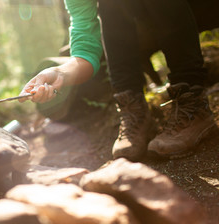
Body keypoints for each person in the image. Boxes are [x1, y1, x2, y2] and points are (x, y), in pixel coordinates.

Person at [19, 0, 215, 161]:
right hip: (143, 19)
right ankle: (133, 110)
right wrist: (58, 73)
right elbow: (85, 51)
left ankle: (193, 104)